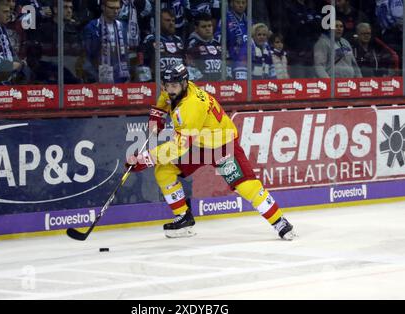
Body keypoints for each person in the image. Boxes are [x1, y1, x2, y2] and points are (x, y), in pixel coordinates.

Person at [125, 63, 297, 240]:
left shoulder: (191, 106)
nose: (170, 90)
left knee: (245, 185)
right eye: (167, 85)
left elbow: (178, 146)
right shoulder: (177, 89)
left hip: (221, 145)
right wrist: (157, 116)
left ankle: (280, 222)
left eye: (173, 86)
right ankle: (184, 218)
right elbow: (164, 99)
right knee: (164, 171)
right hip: (199, 144)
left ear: (185, 83)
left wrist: (144, 159)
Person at [82, 0, 130, 83]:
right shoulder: (92, 27)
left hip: (121, 78)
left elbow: (127, 54)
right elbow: (87, 56)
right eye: (111, 8)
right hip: (99, 78)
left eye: (118, 8)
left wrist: (129, 76)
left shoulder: (124, 27)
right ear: (103, 7)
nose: (115, 11)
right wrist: (93, 78)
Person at [137, 8, 186, 82]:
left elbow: (186, 64)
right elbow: (142, 65)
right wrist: (148, 83)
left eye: (173, 21)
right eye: (167, 20)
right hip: (158, 84)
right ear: (158, 22)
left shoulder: (178, 40)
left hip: (177, 84)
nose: (171, 23)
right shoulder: (150, 39)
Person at [215, 0, 250, 80]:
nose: (241, 5)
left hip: (248, 60)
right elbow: (218, 38)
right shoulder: (226, 19)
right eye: (238, 2)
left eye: (243, 3)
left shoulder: (248, 20)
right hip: (232, 60)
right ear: (231, 3)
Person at [186, 13, 223, 81]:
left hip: (220, 84)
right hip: (201, 84)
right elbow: (190, 68)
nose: (207, 29)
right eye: (204, 26)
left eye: (209, 26)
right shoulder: (192, 44)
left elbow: (226, 65)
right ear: (196, 29)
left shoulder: (217, 44)